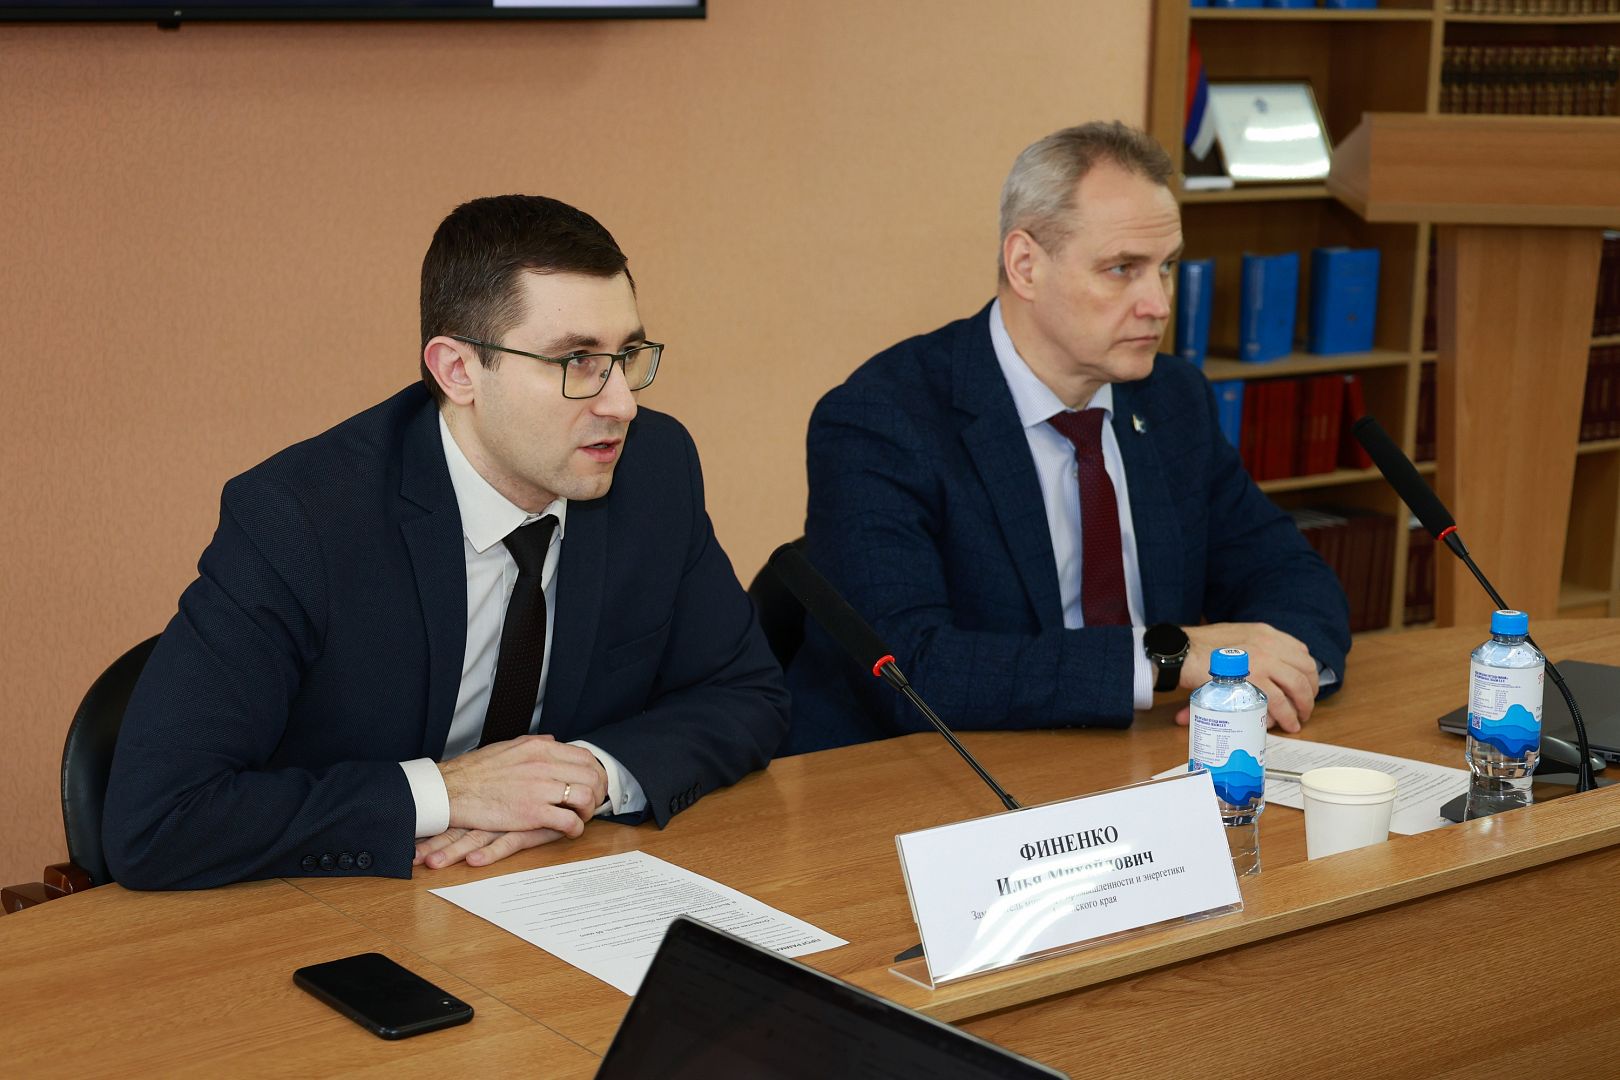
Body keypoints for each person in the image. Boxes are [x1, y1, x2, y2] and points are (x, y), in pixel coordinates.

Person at [104, 195, 789, 889]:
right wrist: (445, 793)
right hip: (332, 905)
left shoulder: (653, 470)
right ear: (458, 370)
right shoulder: (304, 519)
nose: (622, 404)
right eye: (577, 360)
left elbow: (747, 694)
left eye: (627, 356)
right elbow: (157, 817)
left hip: (554, 885)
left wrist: (585, 777)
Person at [782, 121, 1349, 755]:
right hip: (933, 774)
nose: (1159, 304)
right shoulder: (882, 420)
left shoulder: (1172, 398)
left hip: (1148, 754)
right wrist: (1165, 659)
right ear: (1025, 265)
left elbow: (1287, 572)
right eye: (1121, 269)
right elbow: (909, 668)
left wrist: (1271, 678)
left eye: (1165, 267)